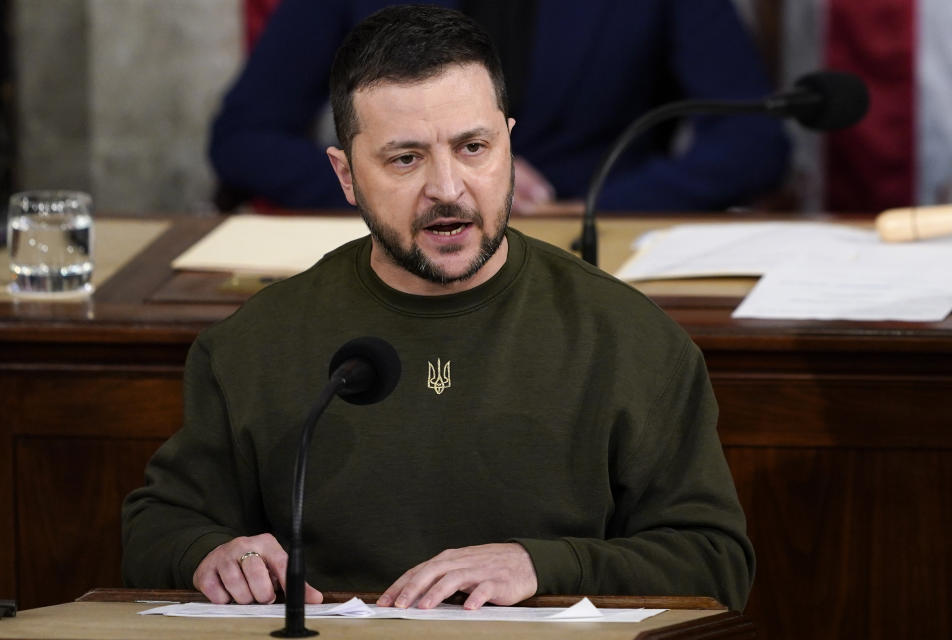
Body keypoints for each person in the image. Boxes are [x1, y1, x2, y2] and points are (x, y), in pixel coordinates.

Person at [123, 5, 753, 611]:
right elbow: (159, 527)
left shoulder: (631, 339)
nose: (447, 190)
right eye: (406, 159)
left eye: (473, 148)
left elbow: (715, 561)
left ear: (508, 144)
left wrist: (543, 565)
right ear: (345, 177)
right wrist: (210, 553)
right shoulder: (255, 343)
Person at [209, 0, 789, 214]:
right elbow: (244, 137)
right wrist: (397, 182)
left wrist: (587, 207)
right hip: (401, 259)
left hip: (592, 251)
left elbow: (754, 143)